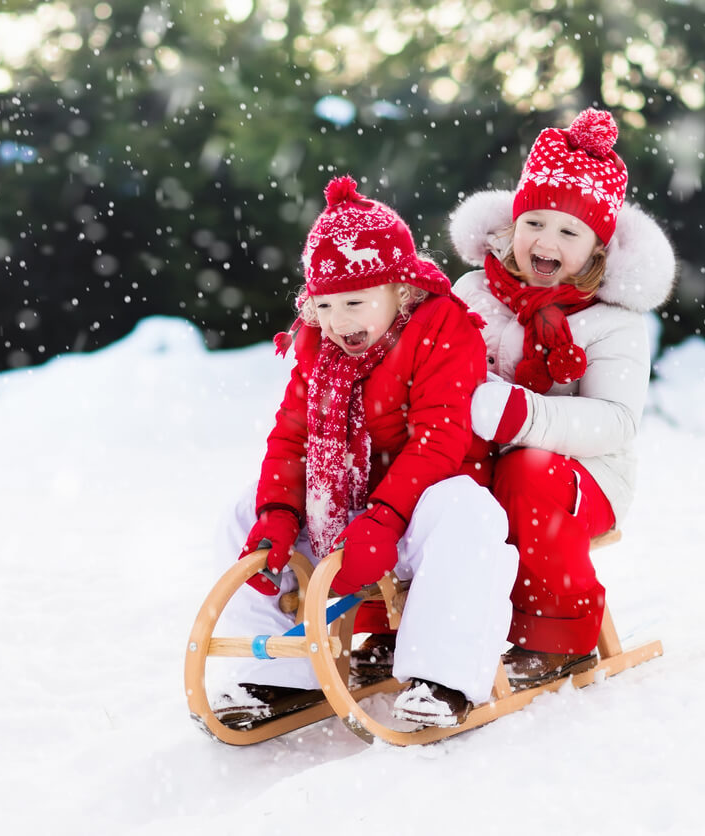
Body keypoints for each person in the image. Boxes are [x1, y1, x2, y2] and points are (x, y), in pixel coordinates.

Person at [209, 175, 519, 729]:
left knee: (468, 511)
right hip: (346, 514)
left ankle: (440, 678)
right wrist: (277, 514)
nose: (340, 322)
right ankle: (279, 675)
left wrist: (386, 515)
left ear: (399, 289)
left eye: (355, 302)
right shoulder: (318, 347)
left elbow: (439, 440)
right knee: (243, 513)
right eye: (325, 305)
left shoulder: (442, 328)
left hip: (417, 506)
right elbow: (291, 438)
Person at [447, 108, 676, 688]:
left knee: (529, 469)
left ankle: (554, 634)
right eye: (535, 223)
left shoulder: (613, 322)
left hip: (582, 479)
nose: (546, 242)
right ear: (511, 225)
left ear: (598, 249)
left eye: (569, 233)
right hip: (482, 462)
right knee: (423, 473)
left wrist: (520, 415)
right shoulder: (475, 291)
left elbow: (616, 421)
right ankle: (409, 624)